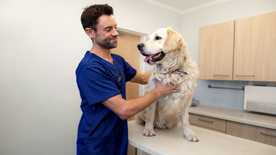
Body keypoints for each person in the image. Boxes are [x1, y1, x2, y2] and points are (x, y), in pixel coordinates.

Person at [75, 4, 180, 155]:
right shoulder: (90, 68)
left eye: (115, 27)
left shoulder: (117, 60)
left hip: (118, 134)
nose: (115, 33)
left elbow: (144, 78)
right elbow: (124, 110)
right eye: (108, 29)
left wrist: (172, 69)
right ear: (90, 32)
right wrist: (159, 92)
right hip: (97, 142)